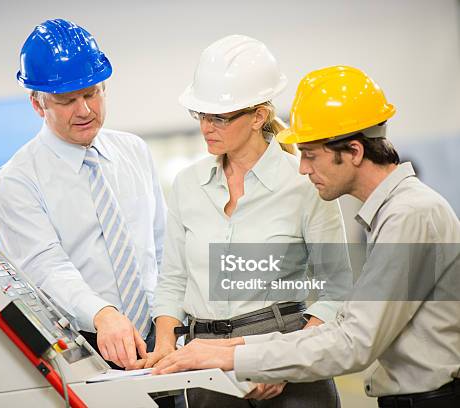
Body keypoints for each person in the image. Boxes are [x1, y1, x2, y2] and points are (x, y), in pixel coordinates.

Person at [153, 66, 460, 408]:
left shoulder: (409, 215)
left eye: (311, 155)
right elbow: (346, 327)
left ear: (354, 152)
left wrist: (235, 357)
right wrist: (228, 348)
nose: (303, 168)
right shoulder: (399, 212)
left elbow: (353, 342)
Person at [144, 36, 350, 407]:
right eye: (200, 115)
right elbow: (173, 279)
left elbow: (338, 291)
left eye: (219, 117)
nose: (206, 127)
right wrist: (164, 348)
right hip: (204, 361)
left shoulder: (304, 182)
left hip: (285, 349)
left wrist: (284, 364)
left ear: (257, 117)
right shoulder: (188, 185)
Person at [0, 19, 166, 371]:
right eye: (66, 100)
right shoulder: (18, 181)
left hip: (160, 339)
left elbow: (161, 246)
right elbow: (45, 268)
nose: (84, 110)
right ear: (38, 104)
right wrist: (102, 314)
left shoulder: (134, 151)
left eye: (91, 93)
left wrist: (169, 323)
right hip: (87, 347)